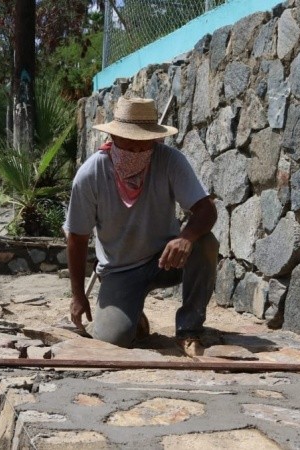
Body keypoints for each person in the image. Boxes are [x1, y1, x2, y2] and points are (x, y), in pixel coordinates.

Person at [64, 96, 219, 357]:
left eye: (143, 144)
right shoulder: (90, 175)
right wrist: (78, 295)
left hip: (165, 259)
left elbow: (206, 210)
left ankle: (189, 329)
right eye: (129, 143)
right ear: (113, 139)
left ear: (154, 140)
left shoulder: (170, 161)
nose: (136, 151)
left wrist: (186, 237)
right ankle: (133, 318)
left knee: (205, 243)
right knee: (113, 339)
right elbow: (77, 237)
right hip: (119, 270)